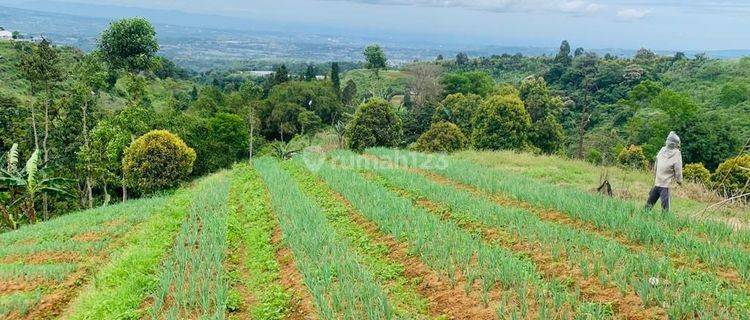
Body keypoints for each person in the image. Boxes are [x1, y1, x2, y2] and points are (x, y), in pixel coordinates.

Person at [645, 131, 683, 212]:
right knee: (665, 210)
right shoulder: (677, 154)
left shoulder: (662, 150)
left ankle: (643, 216)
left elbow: (656, 165)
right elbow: (678, 170)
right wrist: (680, 181)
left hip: (657, 182)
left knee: (648, 206)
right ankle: (664, 223)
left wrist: (655, 177)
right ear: (676, 144)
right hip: (666, 185)